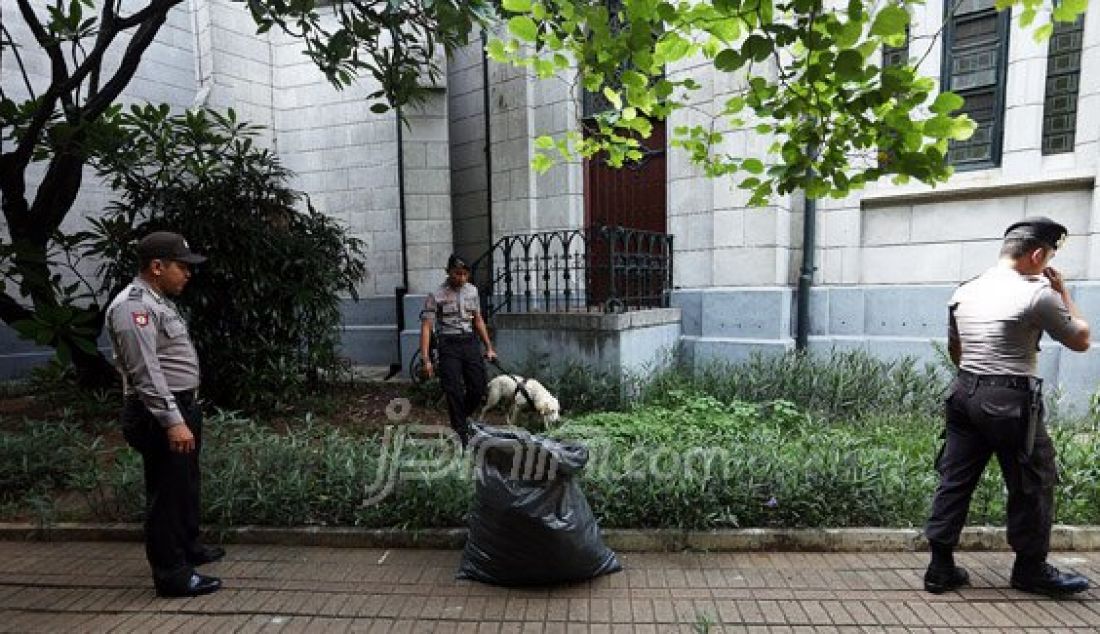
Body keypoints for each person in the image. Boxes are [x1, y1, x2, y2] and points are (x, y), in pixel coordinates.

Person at [924, 216, 1091, 596]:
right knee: (1032, 480)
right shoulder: (1038, 294)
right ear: (1037, 255)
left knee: (954, 478)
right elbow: (1081, 339)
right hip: (1010, 399)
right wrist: (1063, 291)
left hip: (963, 393)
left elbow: (956, 348)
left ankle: (940, 567)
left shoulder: (965, 290)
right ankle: (1031, 570)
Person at [105, 231, 224, 597]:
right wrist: (173, 422)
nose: (188, 274)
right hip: (158, 413)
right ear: (157, 267)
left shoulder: (156, 301)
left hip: (180, 406)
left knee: (185, 484)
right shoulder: (133, 307)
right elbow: (146, 373)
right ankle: (172, 574)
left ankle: (188, 548)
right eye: (182, 266)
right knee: (167, 493)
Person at [420, 253, 497, 445]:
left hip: (470, 342)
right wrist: (426, 359)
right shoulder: (436, 295)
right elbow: (427, 328)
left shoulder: (472, 291)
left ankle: (460, 420)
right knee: (452, 389)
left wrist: (489, 347)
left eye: (464, 274)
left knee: (478, 388)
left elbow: (478, 320)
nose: (461, 278)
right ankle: (461, 435)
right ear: (448, 272)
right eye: (457, 273)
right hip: (448, 345)